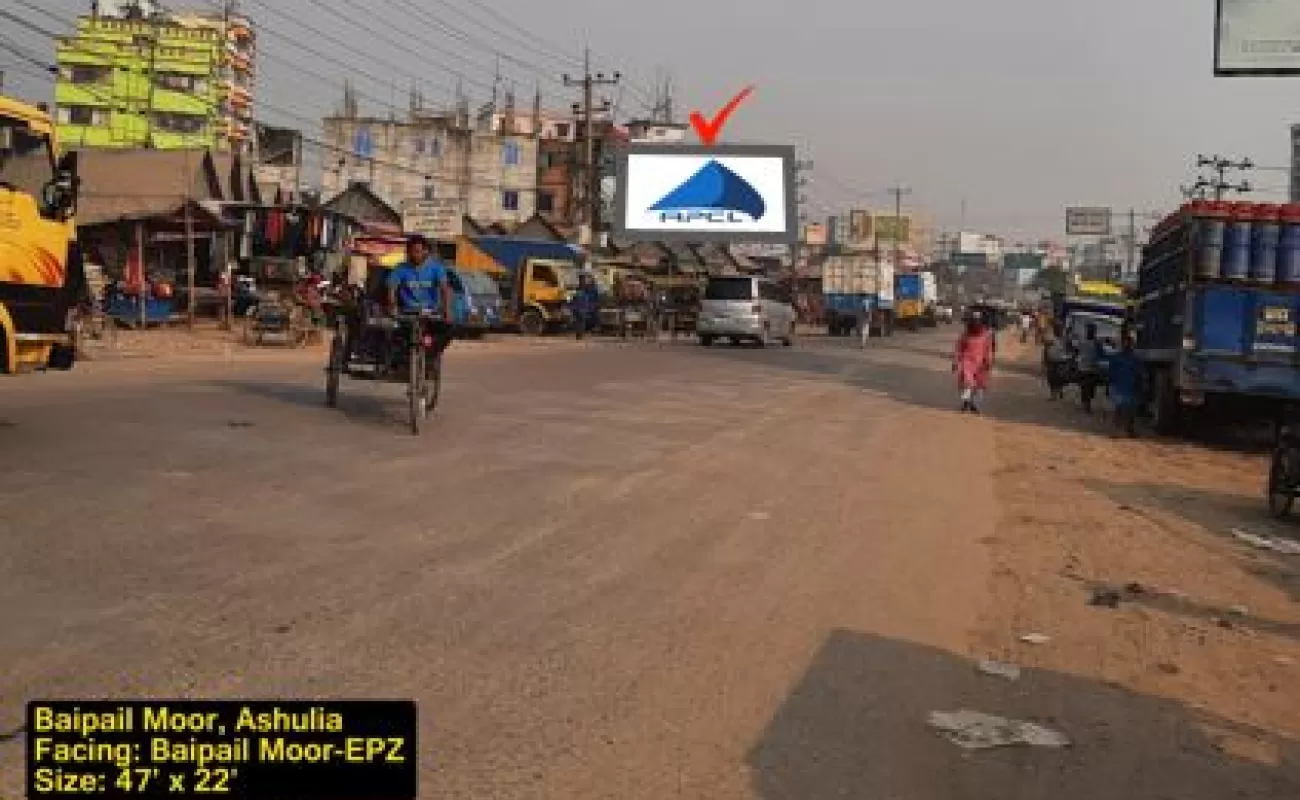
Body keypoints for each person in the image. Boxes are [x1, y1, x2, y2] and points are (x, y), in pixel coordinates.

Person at [385, 235, 454, 367]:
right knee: (393, 335)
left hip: (430, 312)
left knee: (448, 329)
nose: (415, 255)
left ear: (425, 251)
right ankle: (400, 359)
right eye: (412, 251)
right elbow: (392, 288)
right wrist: (392, 305)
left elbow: (445, 289)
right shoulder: (401, 268)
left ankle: (431, 355)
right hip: (407, 312)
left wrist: (447, 311)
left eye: (418, 251)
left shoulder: (436, 268)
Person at [954, 313, 995, 413]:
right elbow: (959, 348)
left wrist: (988, 361)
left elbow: (988, 349)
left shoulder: (986, 335)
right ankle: (966, 402)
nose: (976, 323)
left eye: (978, 320)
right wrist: (955, 361)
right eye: (974, 320)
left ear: (981, 322)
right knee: (967, 383)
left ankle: (974, 404)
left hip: (981, 363)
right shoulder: (965, 334)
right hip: (967, 361)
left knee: (979, 385)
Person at [1107, 333, 1141, 437]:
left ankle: (1128, 430)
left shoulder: (1134, 359)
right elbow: (1111, 373)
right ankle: (1118, 430)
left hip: (1129, 386)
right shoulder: (1119, 358)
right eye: (1127, 343)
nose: (1128, 345)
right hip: (1120, 386)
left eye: (1129, 343)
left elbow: (1139, 373)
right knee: (1120, 409)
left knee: (1129, 410)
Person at [1076, 322, 1105, 414]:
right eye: (1089, 330)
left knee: (1087, 387)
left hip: (1088, 368)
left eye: (1091, 330)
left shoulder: (1093, 342)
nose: (1090, 332)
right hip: (1087, 368)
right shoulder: (1094, 342)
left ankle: (1086, 403)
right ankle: (1086, 404)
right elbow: (1101, 354)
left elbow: (1101, 354)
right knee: (1087, 387)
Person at [1043, 322, 1069, 400]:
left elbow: (1070, 349)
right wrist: (1045, 360)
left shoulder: (1065, 339)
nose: (1058, 330)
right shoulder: (1050, 339)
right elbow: (1045, 349)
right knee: (1051, 378)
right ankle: (1053, 395)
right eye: (1057, 328)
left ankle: (1060, 390)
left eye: (1059, 328)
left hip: (1061, 361)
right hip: (1052, 360)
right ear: (1054, 330)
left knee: (1061, 377)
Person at [572, 272, 601, 339]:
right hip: (579, 306)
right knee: (580, 320)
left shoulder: (589, 289)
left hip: (584, 306)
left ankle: (580, 334)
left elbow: (594, 298)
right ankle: (579, 334)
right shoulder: (580, 289)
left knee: (582, 320)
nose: (583, 281)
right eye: (582, 279)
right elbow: (574, 298)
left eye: (583, 279)